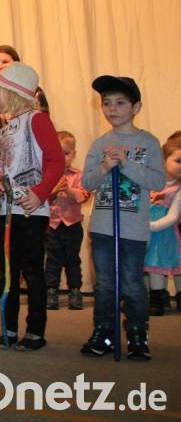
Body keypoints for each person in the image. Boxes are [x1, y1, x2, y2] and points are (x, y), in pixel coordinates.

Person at [80, 76, 164, 360]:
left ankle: (138, 334)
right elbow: (88, 183)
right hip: (103, 227)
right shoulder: (100, 143)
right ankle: (103, 332)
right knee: (104, 283)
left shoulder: (148, 142)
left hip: (133, 230)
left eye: (120, 102)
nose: (112, 108)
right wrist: (105, 166)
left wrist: (127, 164)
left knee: (131, 283)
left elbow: (157, 180)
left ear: (136, 107)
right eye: (106, 103)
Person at [0, 63, 64, 351]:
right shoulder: (6, 128)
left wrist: (40, 193)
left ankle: (35, 330)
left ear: (13, 92)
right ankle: (8, 328)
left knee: (32, 272)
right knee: (7, 271)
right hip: (6, 211)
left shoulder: (38, 120)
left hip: (30, 212)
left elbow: (56, 160)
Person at [45, 131, 90, 310]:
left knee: (72, 260)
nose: (62, 158)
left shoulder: (78, 175)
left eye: (66, 153)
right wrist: (54, 190)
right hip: (52, 225)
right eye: (58, 153)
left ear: (74, 154)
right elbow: (41, 198)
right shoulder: (47, 174)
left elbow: (85, 196)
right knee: (52, 260)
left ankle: (75, 291)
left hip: (72, 224)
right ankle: (51, 291)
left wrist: (69, 190)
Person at [0, 45, 50, 147]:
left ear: (16, 64)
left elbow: (43, 128)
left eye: (5, 62)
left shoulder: (34, 92)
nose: (0, 66)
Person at [143, 134, 181, 317]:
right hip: (146, 232)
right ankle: (155, 295)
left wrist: (150, 226)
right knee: (148, 264)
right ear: (163, 160)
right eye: (178, 160)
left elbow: (173, 216)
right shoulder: (150, 183)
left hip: (164, 234)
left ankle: (159, 298)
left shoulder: (178, 190)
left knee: (158, 262)